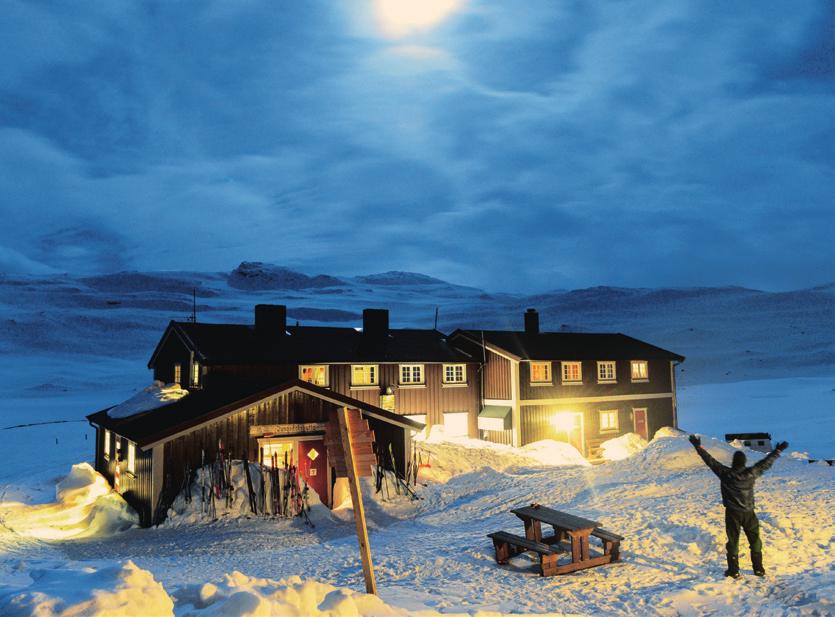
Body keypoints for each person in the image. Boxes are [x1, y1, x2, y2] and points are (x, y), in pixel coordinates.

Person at [688, 434, 788, 578]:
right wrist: (777, 451)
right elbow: (766, 463)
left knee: (733, 540)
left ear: (734, 462)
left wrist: (698, 446)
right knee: (755, 540)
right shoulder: (751, 473)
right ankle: (758, 569)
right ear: (744, 462)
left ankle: (733, 571)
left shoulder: (725, 473)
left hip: (732, 513)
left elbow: (709, 460)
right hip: (749, 513)